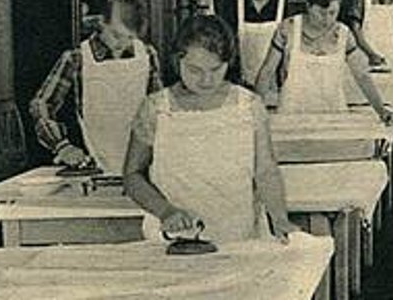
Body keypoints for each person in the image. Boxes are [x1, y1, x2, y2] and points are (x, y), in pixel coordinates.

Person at [123, 15, 297, 243]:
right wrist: (165, 211)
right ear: (178, 61)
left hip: (239, 233)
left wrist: (280, 218)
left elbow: (265, 171)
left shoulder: (248, 105)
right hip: (173, 237)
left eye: (216, 69)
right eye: (195, 70)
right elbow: (132, 175)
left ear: (229, 62)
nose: (206, 80)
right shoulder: (156, 108)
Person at [30, 0, 162, 174]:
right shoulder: (77, 58)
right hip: (94, 160)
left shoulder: (147, 54)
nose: (121, 45)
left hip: (141, 161)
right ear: (102, 23)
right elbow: (41, 104)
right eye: (116, 35)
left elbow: (158, 106)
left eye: (129, 38)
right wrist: (61, 145)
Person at [255, 0, 393, 122]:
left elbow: (361, 75)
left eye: (332, 13)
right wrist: (256, 111)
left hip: (333, 112)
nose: (327, 19)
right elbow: (267, 71)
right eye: (321, 13)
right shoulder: (288, 28)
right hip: (293, 112)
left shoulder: (344, 34)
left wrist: (381, 110)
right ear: (308, 6)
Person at [222, 0, 294, 86]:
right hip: (241, 75)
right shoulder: (236, 1)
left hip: (272, 79)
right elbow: (227, 40)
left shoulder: (281, 5)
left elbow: (286, 45)